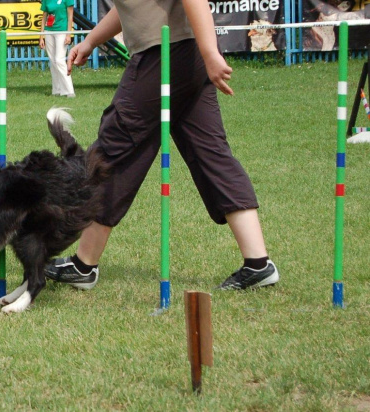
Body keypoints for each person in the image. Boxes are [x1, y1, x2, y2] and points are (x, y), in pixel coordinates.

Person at [44, 0, 280, 291]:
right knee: (211, 153)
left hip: (165, 54)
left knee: (112, 150)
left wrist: (211, 54)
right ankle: (258, 264)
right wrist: (91, 40)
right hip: (186, 55)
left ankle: (83, 265)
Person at [39, 0, 75, 97]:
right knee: (53, 61)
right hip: (48, 31)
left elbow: (70, 16)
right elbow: (44, 17)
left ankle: (69, 90)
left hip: (61, 31)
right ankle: (57, 90)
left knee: (59, 60)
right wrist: (41, 36)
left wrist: (68, 34)